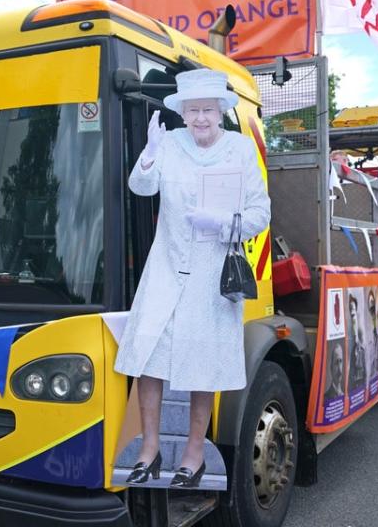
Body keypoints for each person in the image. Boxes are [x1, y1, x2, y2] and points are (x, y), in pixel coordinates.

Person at [114, 69, 271, 489]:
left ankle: (194, 454)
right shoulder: (170, 143)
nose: (200, 118)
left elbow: (260, 214)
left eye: (207, 109)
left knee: (203, 368)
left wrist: (222, 222)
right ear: (182, 112)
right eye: (193, 110)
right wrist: (149, 153)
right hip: (165, 266)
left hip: (210, 273)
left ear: (220, 111)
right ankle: (149, 449)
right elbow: (140, 187)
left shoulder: (239, 150)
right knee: (148, 359)